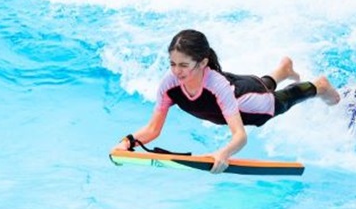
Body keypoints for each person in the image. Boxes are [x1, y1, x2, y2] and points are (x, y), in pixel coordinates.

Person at [111, 29, 340, 174]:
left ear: (202, 63)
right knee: (261, 82)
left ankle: (319, 85)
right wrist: (127, 142)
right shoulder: (169, 85)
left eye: (183, 65)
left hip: (247, 102)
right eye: (172, 64)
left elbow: (240, 136)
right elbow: (152, 130)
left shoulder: (216, 85)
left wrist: (223, 153)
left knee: (280, 102)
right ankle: (282, 70)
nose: (176, 71)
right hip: (235, 87)